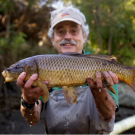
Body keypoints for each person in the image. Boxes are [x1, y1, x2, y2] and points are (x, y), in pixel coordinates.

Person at [17, 5, 119, 135]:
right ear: (52, 39)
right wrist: (27, 101)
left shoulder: (101, 66)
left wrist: (99, 90)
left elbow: (109, 115)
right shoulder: (44, 67)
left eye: (74, 31)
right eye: (60, 32)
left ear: (84, 36)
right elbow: (32, 120)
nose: (67, 36)